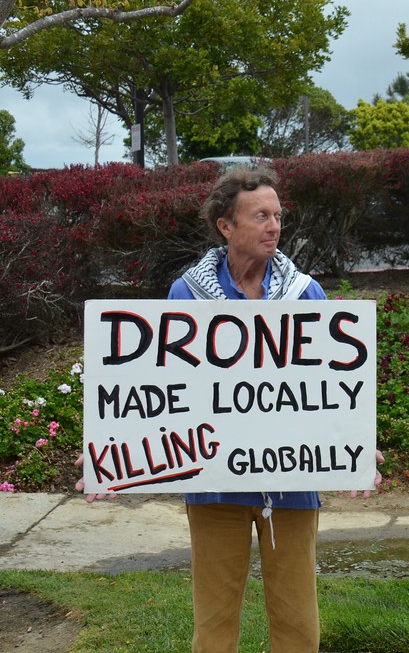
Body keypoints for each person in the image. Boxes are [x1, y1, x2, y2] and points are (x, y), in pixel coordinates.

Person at [79, 164, 382, 653]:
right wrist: (113, 450)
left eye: (278, 215)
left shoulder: (306, 294)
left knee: (298, 624)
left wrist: (355, 444)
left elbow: (329, 387)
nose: (274, 226)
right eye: (260, 215)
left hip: (290, 488)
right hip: (215, 488)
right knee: (215, 624)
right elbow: (161, 388)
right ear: (225, 226)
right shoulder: (186, 294)